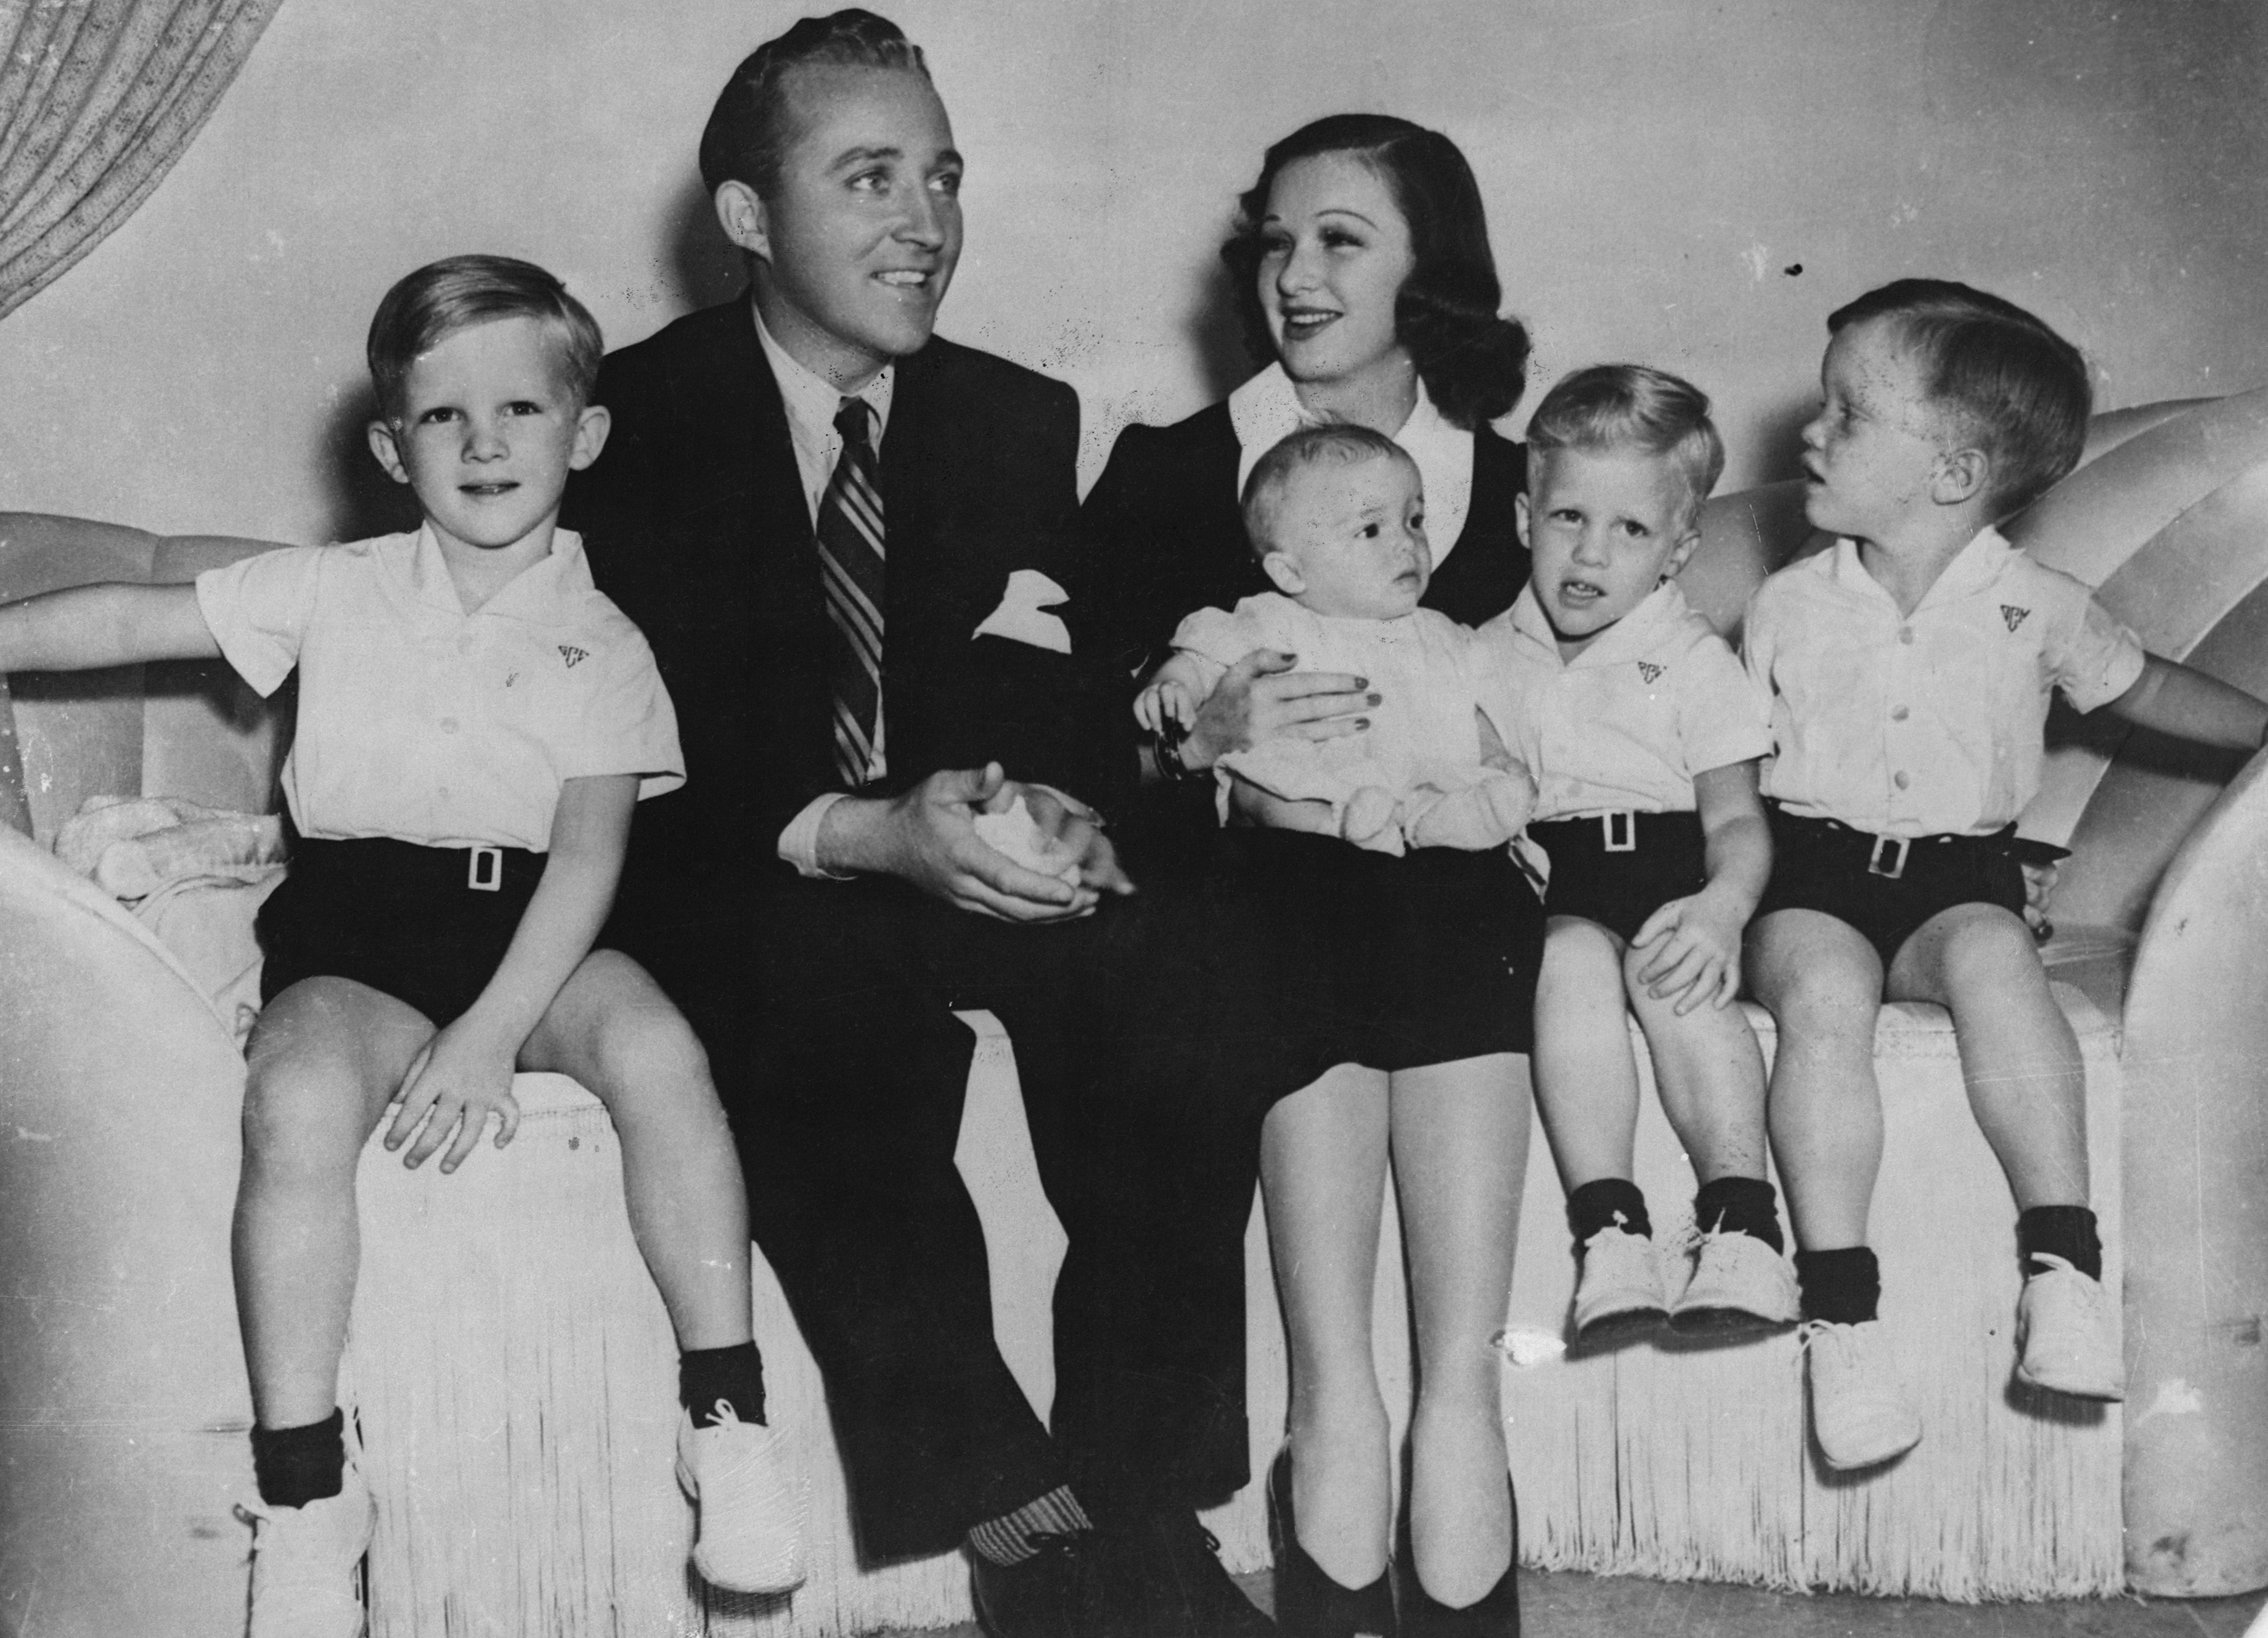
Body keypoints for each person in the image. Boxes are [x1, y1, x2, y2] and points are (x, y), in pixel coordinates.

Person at [560, 15, 1281, 1637]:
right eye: (869, 176)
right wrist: (861, 830)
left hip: (951, 847)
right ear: (748, 218)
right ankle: (1012, 1519)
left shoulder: (1013, 418)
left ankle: (1148, 1502)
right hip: (744, 859)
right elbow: (643, 729)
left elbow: (1036, 686)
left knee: (1190, 962)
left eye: (944, 177)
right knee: (802, 1005)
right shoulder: (621, 420)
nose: (926, 221)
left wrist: (1062, 810)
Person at [0, 255, 806, 1636]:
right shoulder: (334, 585)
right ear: (391, 445)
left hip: (533, 923)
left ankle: (724, 1416)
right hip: (358, 924)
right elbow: (130, 619)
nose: (485, 444)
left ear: (586, 432)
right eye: (443, 417)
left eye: (520, 410)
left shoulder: (608, 643)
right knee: (297, 1093)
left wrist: (492, 1030)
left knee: (662, 1048)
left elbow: (593, 859)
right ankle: (310, 1492)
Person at [1084, 110, 1538, 1636]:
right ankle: (1310, 1482)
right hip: (1263, 905)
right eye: (1272, 237)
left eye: (1338, 236)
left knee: (1459, 1338)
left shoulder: (1523, 489)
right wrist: (1188, 736)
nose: (1291, 270)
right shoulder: (1168, 470)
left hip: (1463, 903)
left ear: (1434, 272)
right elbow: (1086, 742)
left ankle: (1454, 1493)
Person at [1744, 277, 2268, 1471]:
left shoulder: (2035, 606)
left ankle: (2063, 1270)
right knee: (1822, 987)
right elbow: (1720, 760)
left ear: (1951, 470)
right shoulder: (1785, 604)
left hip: (1955, 882)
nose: (1809, 432)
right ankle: (1840, 1318)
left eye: (1846, 411)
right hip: (1810, 880)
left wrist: (2262, 731)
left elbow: (2144, 685)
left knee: (1994, 959)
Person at [1479, 365, 1793, 1343]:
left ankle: (1744, 1222)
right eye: (1569, 517)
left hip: (1669, 872)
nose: (1591, 552)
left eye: (1631, 531)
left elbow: (1738, 820)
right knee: (1566, 960)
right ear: (1526, 516)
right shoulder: (1479, 652)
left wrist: (1722, 908)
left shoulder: (1696, 659)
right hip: (1548, 884)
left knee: (1677, 978)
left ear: (1679, 550)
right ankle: (1609, 1231)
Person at [1138, 425, 1536, 855]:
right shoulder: (1272, 620)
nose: (1408, 541)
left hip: (1413, 787)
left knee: (1458, 790)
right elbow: (1201, 659)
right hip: (1310, 800)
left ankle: (1435, 825)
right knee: (1266, 791)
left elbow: (1472, 708)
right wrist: (1172, 688)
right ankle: (1339, 826)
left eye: (1415, 520)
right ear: (1289, 572)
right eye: (1370, 529)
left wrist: (1496, 755)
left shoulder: (1440, 631)